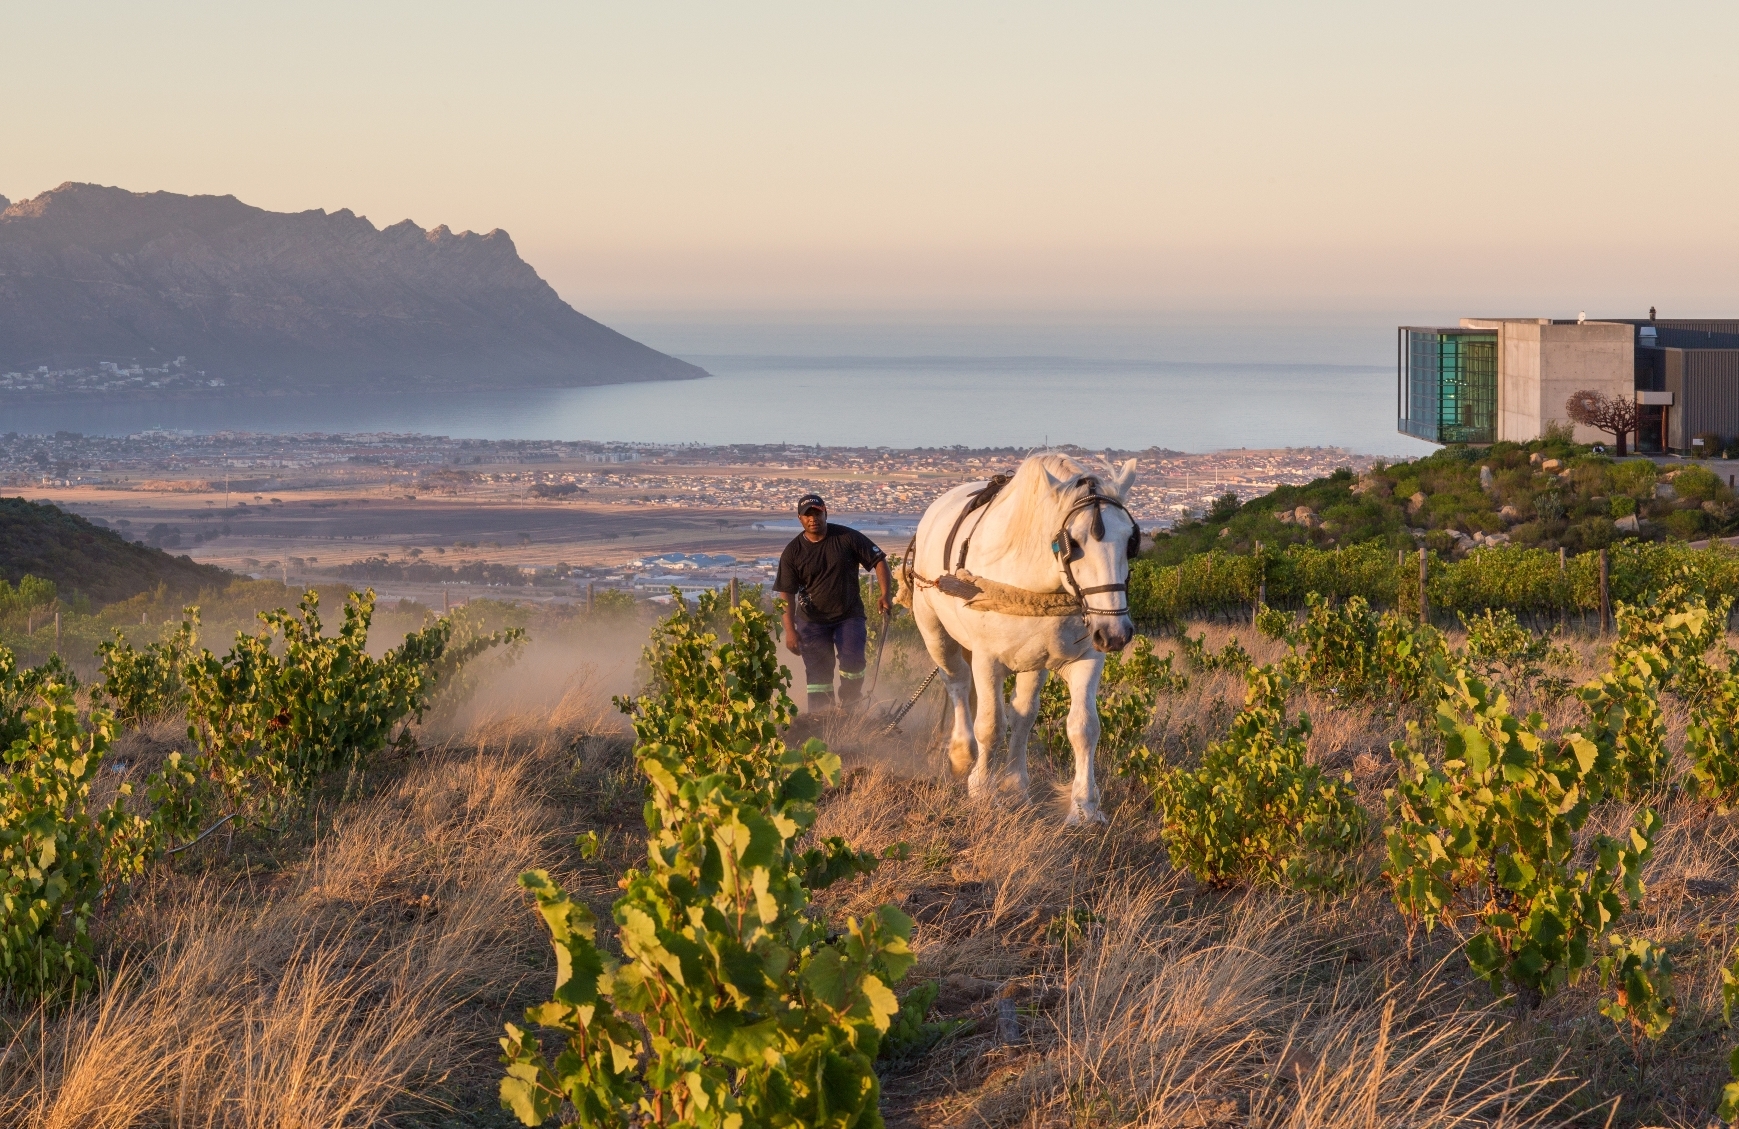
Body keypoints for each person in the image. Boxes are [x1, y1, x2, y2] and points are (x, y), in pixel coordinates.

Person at [774, 492, 892, 712]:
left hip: (849, 616)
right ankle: (821, 718)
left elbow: (879, 560)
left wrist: (886, 594)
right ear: (799, 519)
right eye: (807, 515)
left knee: (853, 663)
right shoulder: (792, 552)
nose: (813, 519)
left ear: (825, 513)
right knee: (818, 676)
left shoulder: (847, 538)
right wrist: (790, 630)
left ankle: (850, 706)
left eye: (817, 513)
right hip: (811, 622)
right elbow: (786, 594)